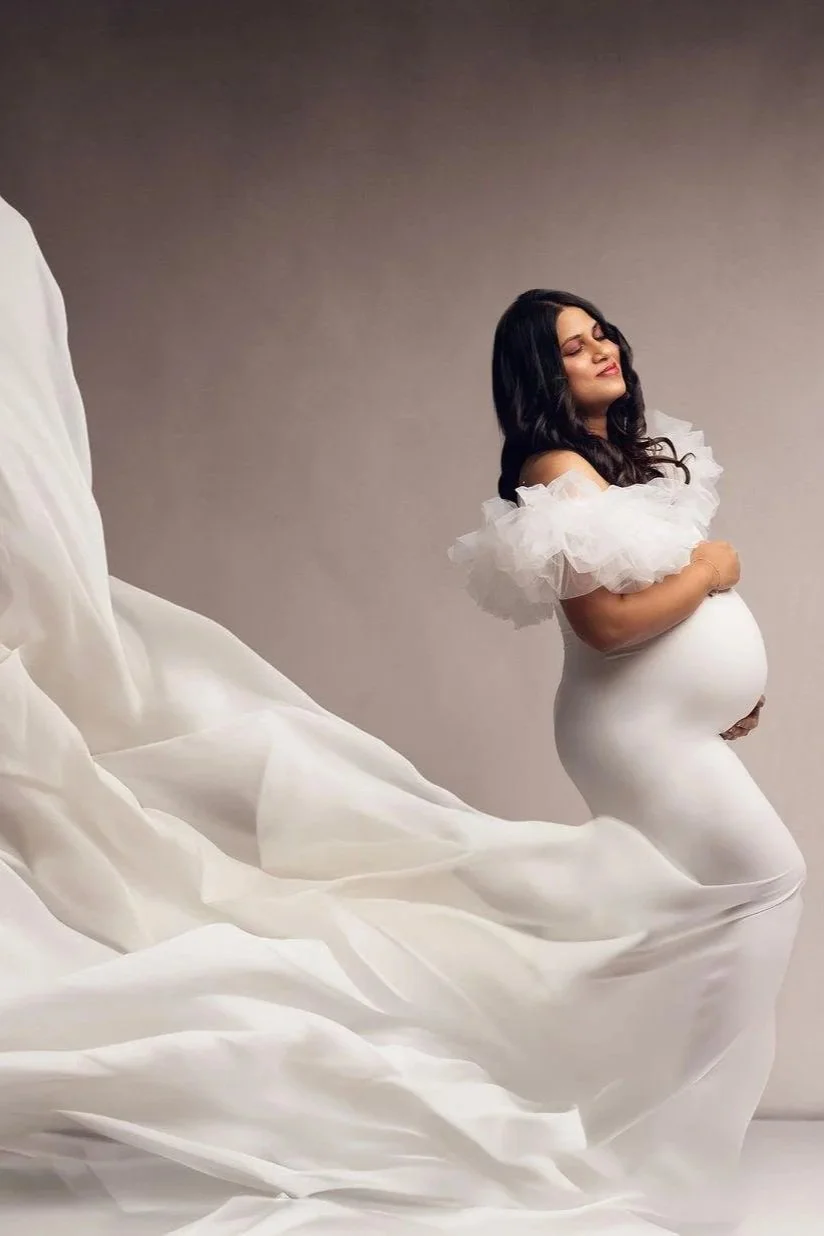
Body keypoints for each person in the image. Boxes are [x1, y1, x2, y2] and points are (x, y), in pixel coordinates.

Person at [0, 199, 806, 1236]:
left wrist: (720, 683)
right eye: (572, 346)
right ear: (542, 377)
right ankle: (646, 1138)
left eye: (598, 330)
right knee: (758, 885)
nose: (600, 346)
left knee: (686, 909)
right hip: (632, 735)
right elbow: (604, 624)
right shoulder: (557, 470)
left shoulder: (618, 465)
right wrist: (712, 577)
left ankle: (640, 1121)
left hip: (662, 727)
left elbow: (642, 616)